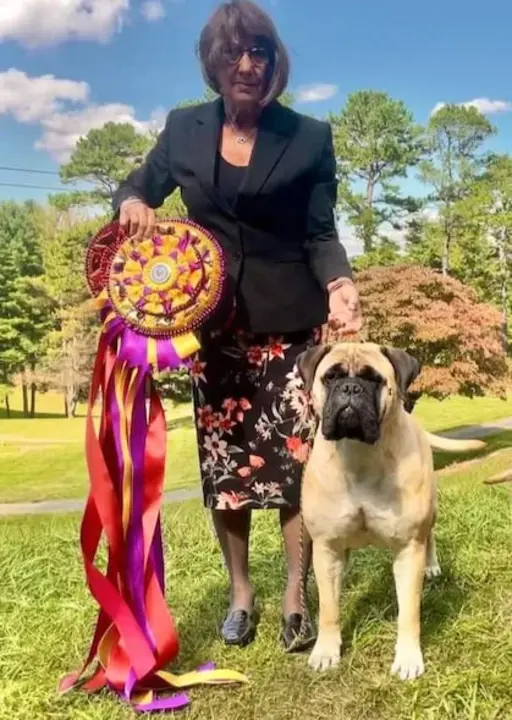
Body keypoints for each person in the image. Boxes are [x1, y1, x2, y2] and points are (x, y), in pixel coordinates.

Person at [113, 0, 362, 652]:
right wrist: (135, 202)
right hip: (212, 331)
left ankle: (294, 593)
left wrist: (340, 282)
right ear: (213, 62)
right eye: (234, 53)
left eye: (260, 53)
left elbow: (319, 232)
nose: (247, 65)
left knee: (294, 466)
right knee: (227, 471)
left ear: (274, 64)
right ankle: (242, 592)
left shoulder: (309, 137)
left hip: (291, 329)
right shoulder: (184, 129)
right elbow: (137, 186)